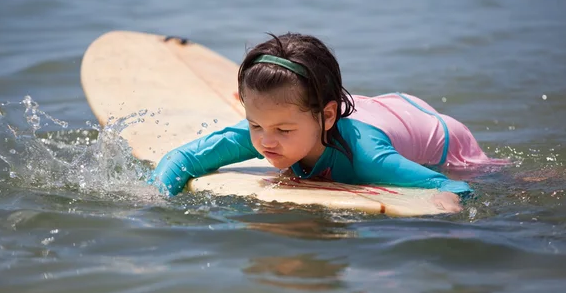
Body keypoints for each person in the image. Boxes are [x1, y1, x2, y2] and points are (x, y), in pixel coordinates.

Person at [149, 33, 506, 211]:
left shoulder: (366, 158)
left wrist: (446, 204)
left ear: (327, 117)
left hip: (441, 138)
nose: (265, 142)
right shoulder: (266, 130)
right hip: (379, 109)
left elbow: (450, 186)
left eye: (284, 130)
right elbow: (182, 158)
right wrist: (156, 198)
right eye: (255, 124)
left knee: (496, 175)